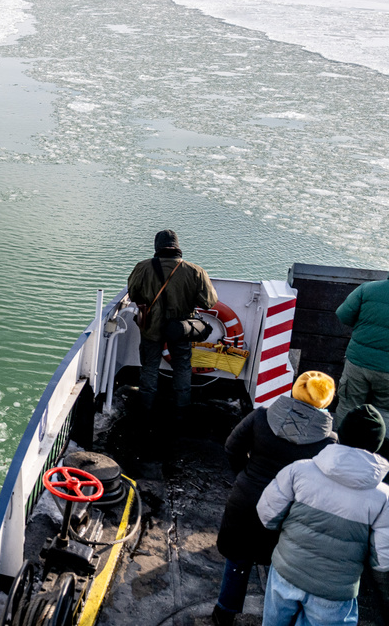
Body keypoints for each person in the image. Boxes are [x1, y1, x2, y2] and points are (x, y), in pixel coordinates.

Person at [211, 371, 337, 626]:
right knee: (280, 567)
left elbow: (231, 447)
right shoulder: (328, 441)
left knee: (238, 557)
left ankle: (224, 613)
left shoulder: (261, 416)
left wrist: (245, 476)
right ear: (326, 400)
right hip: (290, 510)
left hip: (247, 499)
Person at [256, 404, 389, 626]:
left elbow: (267, 514)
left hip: (286, 573)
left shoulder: (299, 470)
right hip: (334, 592)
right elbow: (383, 560)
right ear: (377, 444)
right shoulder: (383, 497)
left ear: (342, 433)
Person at [127, 229, 218, 415]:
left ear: (156, 246)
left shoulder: (142, 267)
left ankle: (146, 408)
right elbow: (209, 302)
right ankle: (182, 408)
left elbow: (134, 295)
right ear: (177, 246)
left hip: (150, 327)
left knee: (150, 367)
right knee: (183, 366)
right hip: (181, 328)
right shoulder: (195, 271)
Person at [334, 276, 389, 429]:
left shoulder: (367, 289)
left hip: (358, 363)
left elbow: (343, 315)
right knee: (385, 412)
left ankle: (343, 447)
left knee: (348, 405)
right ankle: (380, 449)